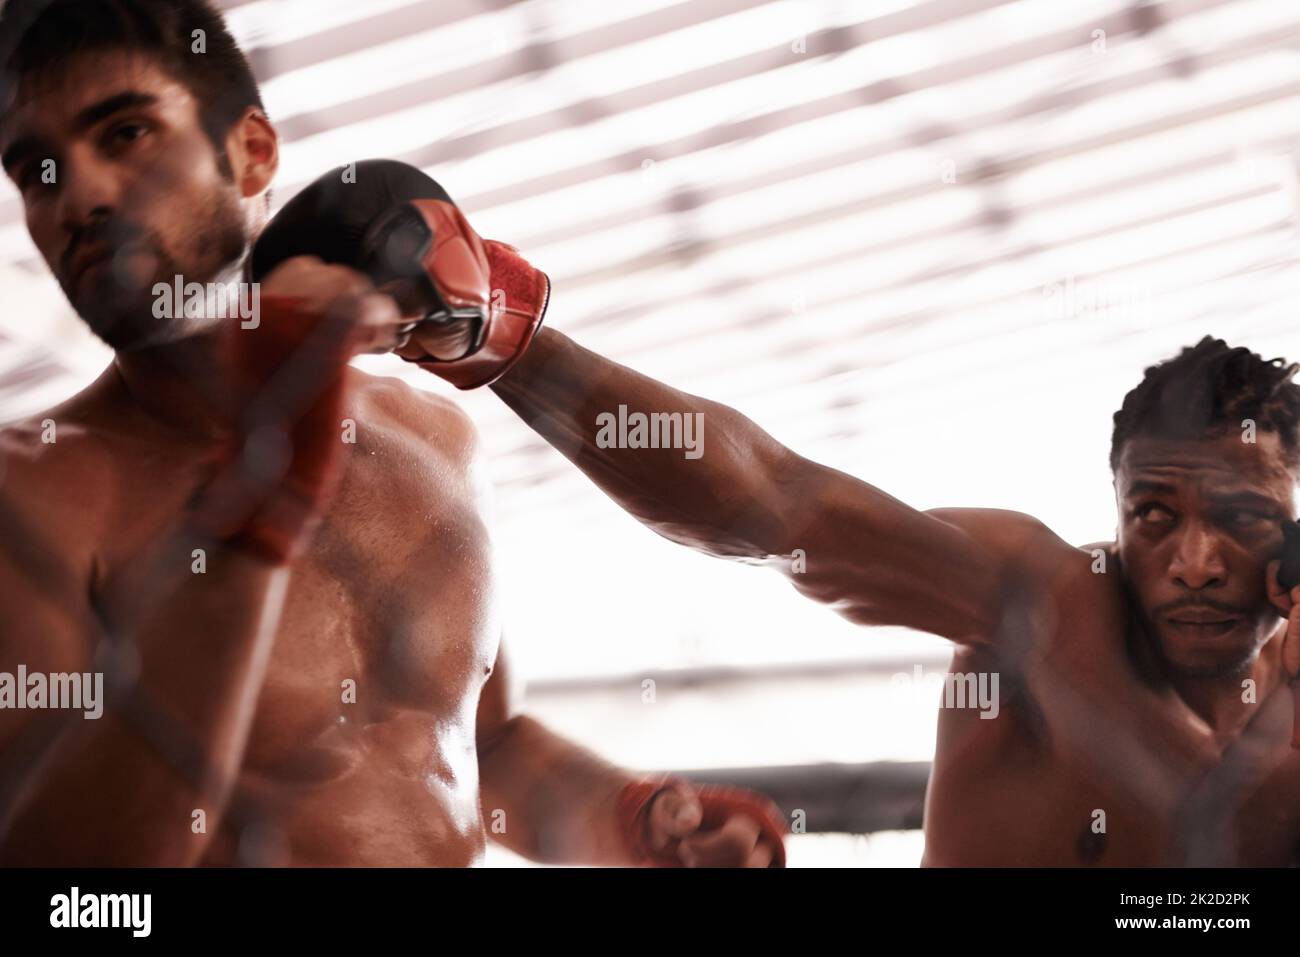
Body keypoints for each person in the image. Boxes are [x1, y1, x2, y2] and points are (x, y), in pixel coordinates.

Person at [0, 0, 786, 868]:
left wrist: (639, 822)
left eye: (126, 133)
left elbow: (486, 747)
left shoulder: (434, 434)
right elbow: (70, 883)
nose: (80, 196)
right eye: (37, 171)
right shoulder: (31, 491)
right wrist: (258, 493)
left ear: (250, 150)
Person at [387, 183, 1300, 866]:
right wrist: (515, 344)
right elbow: (785, 503)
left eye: (1241, 518)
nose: (1192, 561)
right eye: (1153, 514)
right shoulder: (1049, 604)